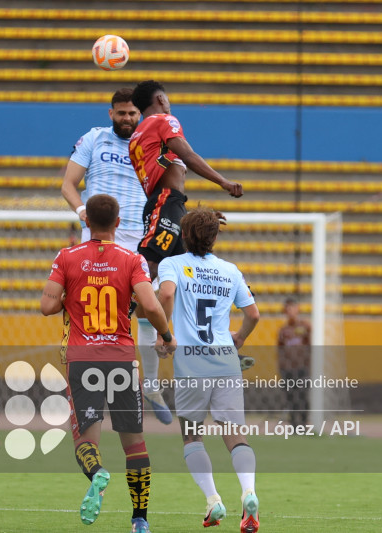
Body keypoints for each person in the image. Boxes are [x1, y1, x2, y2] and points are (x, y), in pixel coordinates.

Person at [40, 194, 176, 533]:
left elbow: (47, 306)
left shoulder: (66, 257)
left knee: (86, 441)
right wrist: (166, 335)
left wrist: (69, 297)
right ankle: (140, 519)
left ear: (87, 221)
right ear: (118, 223)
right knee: (135, 443)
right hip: (121, 361)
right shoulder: (132, 260)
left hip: (82, 360)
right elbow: (152, 305)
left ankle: (98, 472)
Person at [61, 87, 172, 424]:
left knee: (146, 310)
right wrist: (81, 210)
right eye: (121, 113)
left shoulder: (152, 143)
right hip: (98, 235)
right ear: (111, 113)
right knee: (93, 313)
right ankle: (85, 388)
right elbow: (68, 184)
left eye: (132, 113)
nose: (127, 119)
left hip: (140, 236)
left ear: (141, 114)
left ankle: (150, 386)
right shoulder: (94, 139)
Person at [156, 207, 261, 532]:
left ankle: (213, 499)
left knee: (191, 435)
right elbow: (253, 314)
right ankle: (249, 492)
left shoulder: (172, 264)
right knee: (236, 435)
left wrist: (164, 334)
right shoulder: (230, 270)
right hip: (226, 359)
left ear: (184, 235)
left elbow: (167, 293)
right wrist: (239, 338)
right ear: (214, 238)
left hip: (191, 362)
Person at [128, 79, 244, 284]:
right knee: (150, 264)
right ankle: (122, 304)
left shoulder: (136, 137)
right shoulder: (164, 120)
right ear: (161, 99)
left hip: (167, 202)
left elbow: (161, 169)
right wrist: (223, 182)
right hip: (166, 201)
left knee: (182, 275)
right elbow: (188, 156)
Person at [277, 297, 311, 427]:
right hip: (288, 369)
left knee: (302, 395)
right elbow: (280, 350)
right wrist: (281, 367)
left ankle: (303, 423)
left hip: (302, 367)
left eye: (292, 308)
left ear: (297, 309)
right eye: (287, 308)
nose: (290, 311)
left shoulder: (305, 327)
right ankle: (294, 424)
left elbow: (311, 345)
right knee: (290, 396)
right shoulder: (283, 330)